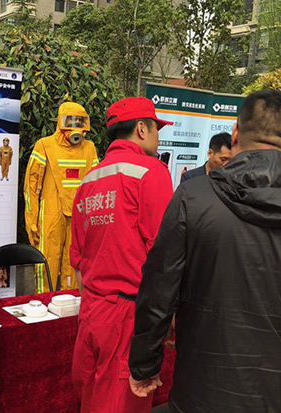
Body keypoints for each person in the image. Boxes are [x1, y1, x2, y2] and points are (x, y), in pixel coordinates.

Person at [129, 90, 281, 413]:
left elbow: (157, 291)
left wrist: (145, 364)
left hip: (201, 395)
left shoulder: (192, 198)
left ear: (237, 132)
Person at [70, 97, 174, 412]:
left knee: (89, 401)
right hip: (129, 318)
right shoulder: (151, 172)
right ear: (141, 129)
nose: (158, 136)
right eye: (156, 128)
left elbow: (77, 260)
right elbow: (164, 257)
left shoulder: (89, 181)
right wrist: (167, 318)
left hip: (91, 314)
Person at [24, 102, 99, 292]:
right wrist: (31, 219)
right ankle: (42, 302)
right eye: (70, 121)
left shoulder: (89, 148)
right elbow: (31, 186)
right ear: (61, 122)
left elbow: (95, 185)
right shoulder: (45, 146)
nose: (75, 126)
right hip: (51, 212)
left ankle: (71, 305)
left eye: (79, 121)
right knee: (46, 261)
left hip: (79, 214)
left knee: (74, 263)